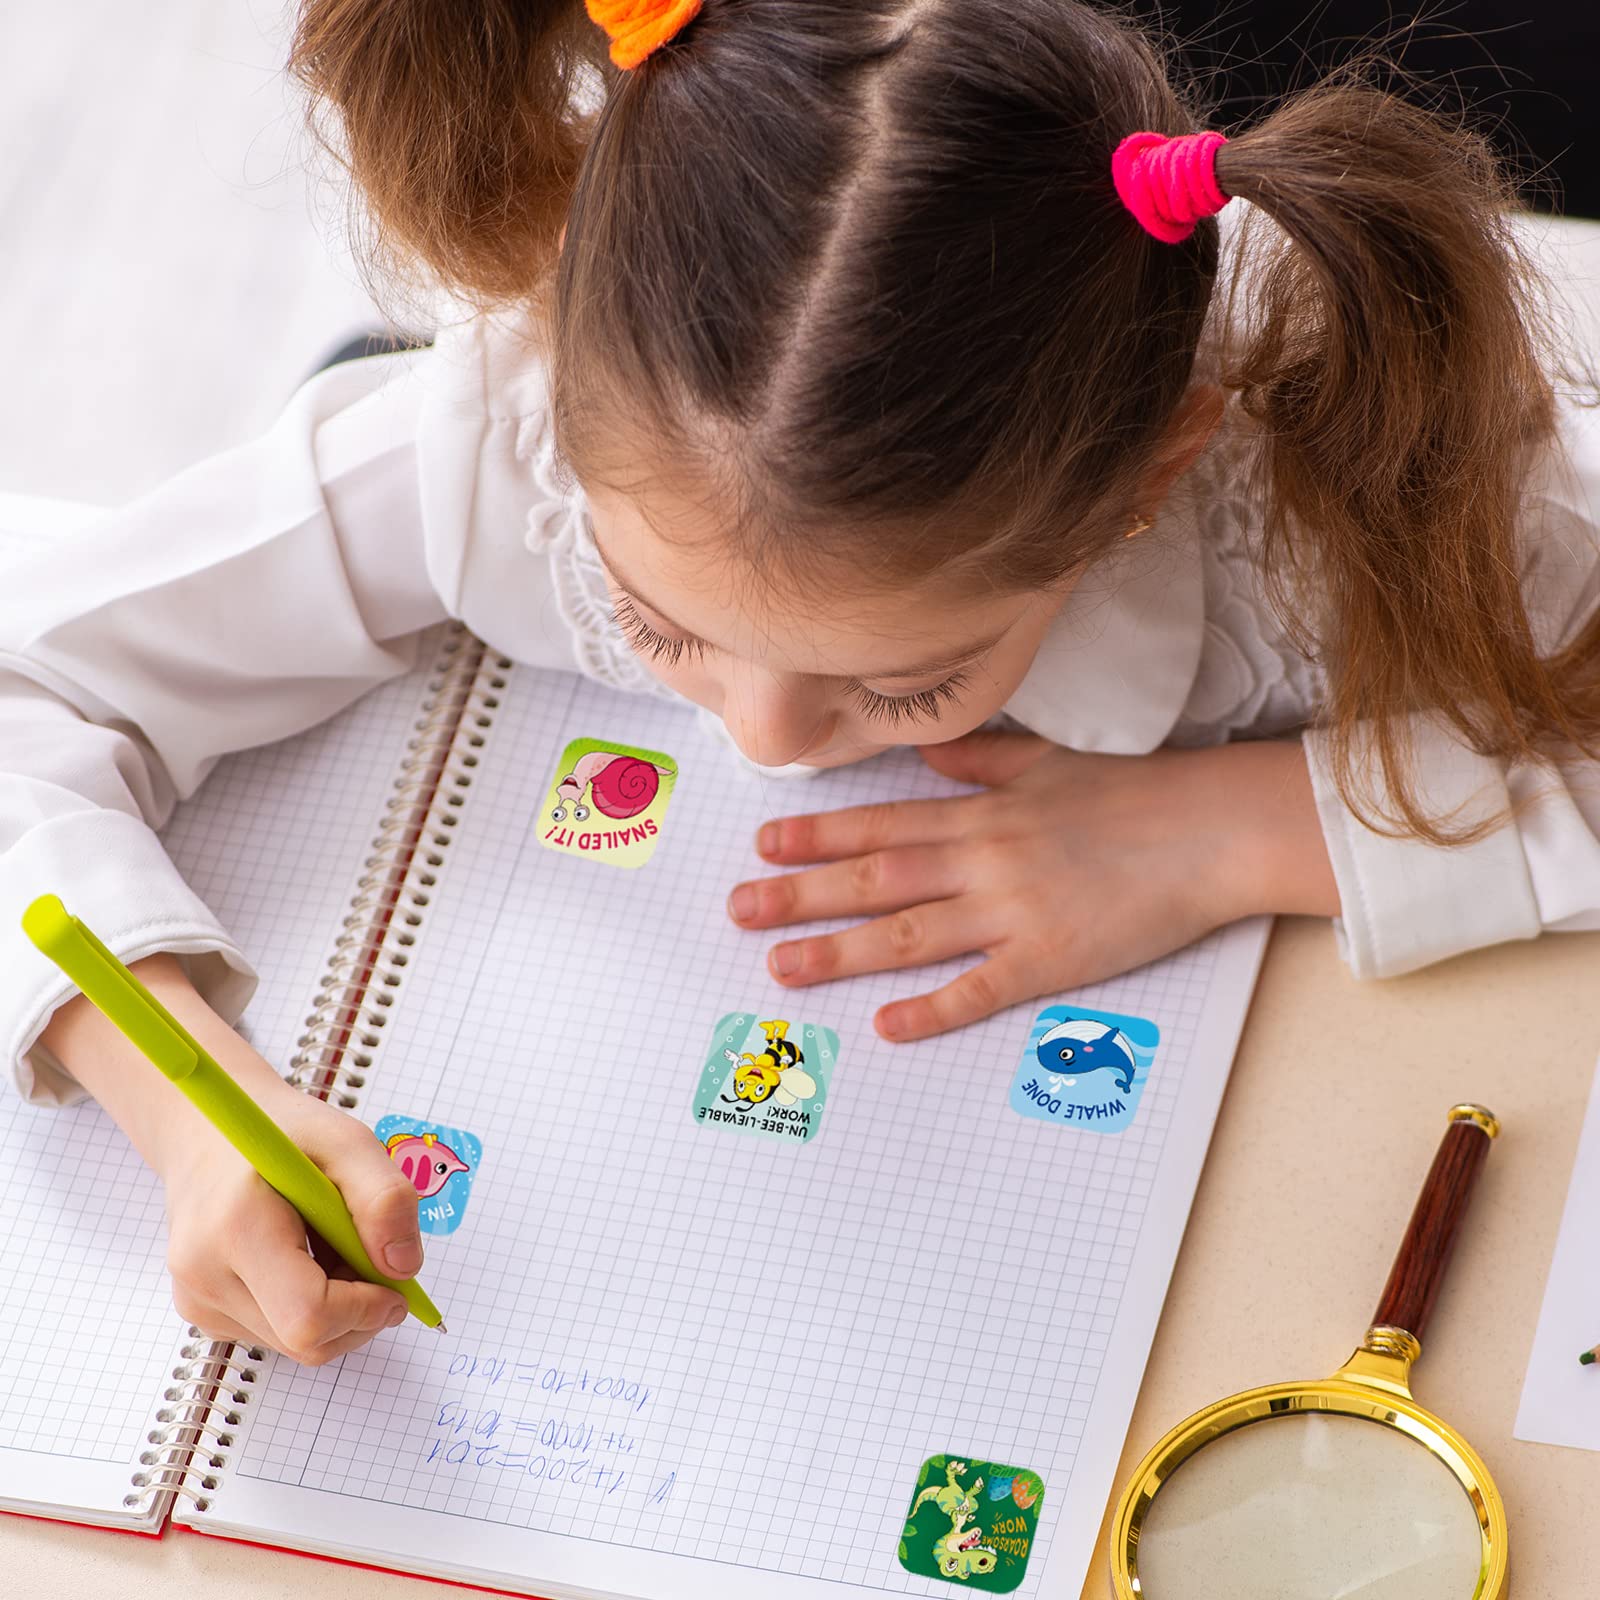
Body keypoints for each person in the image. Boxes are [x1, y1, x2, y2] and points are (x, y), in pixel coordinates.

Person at [5, 0, 1597, 1363]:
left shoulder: (1361, 498)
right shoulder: (507, 431)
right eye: (657, 619)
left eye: (907, 686)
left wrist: (1233, 829)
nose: (764, 743)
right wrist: (177, 1091)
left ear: (1147, 478)